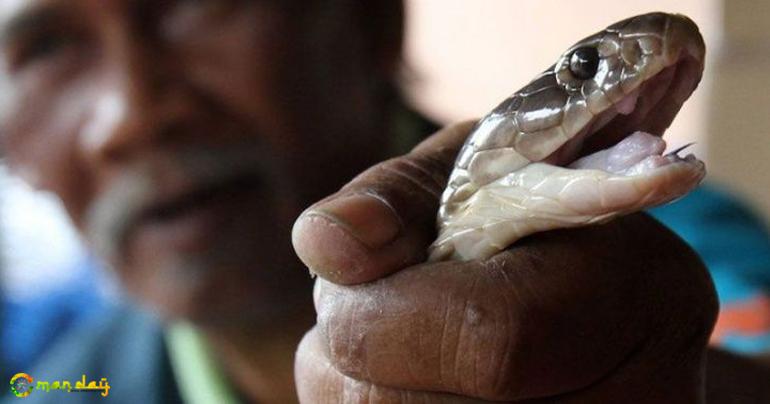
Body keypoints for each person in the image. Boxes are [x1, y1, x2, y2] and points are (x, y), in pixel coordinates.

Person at [0, 1, 767, 403]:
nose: (133, 114)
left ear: (373, 18)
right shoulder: (57, 383)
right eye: (43, 50)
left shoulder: (693, 249)